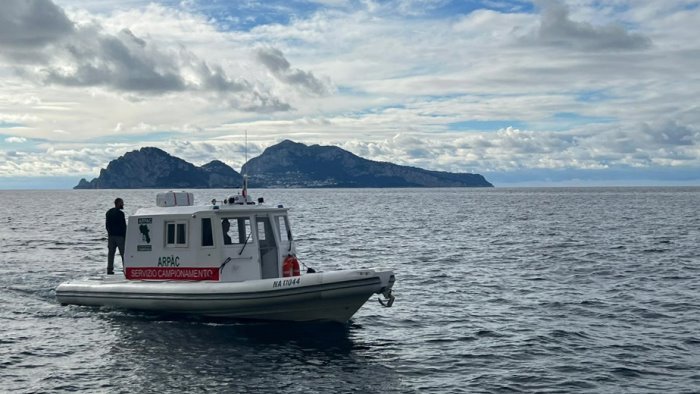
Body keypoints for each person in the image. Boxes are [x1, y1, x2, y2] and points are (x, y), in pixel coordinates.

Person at [105, 198, 127, 274]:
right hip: (120, 237)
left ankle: (109, 269)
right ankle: (126, 269)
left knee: (111, 253)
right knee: (124, 254)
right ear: (118, 203)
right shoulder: (121, 214)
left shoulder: (108, 212)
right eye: (122, 203)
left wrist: (109, 233)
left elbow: (107, 225)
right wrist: (125, 236)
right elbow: (123, 226)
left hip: (111, 236)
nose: (123, 204)